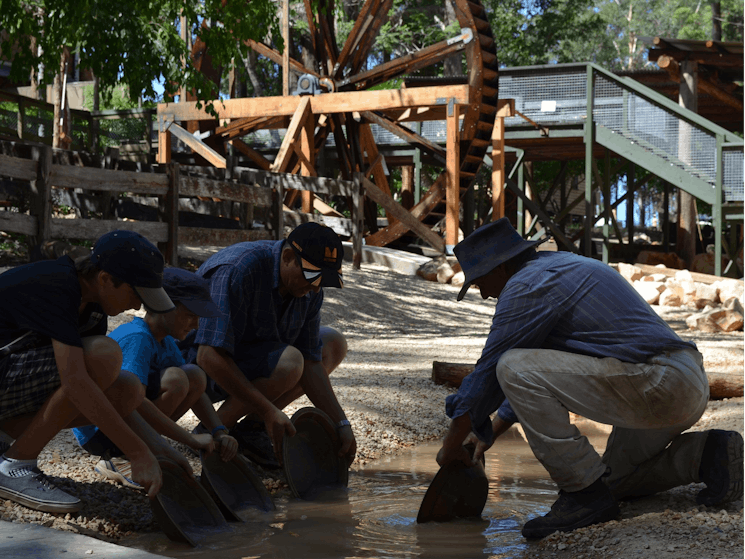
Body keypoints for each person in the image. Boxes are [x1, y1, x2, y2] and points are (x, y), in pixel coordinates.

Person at [437, 218, 744, 539]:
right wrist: (489, 434)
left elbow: (490, 373)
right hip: (686, 381)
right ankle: (707, 454)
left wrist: (451, 446)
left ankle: (581, 495)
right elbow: (537, 382)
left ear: (498, 269)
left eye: (478, 283)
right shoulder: (560, 266)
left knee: (510, 366)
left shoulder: (525, 285)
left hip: (658, 382)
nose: (484, 294)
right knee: (613, 483)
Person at [0, 230, 191, 512]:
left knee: (126, 387)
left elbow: (119, 398)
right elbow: (76, 383)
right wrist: (137, 453)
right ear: (104, 279)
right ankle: (14, 466)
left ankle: (7, 444)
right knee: (105, 356)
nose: (138, 306)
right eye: (135, 294)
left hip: (9, 383)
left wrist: (161, 448)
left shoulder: (94, 306)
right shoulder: (59, 284)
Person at [181, 222, 356, 469]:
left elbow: (312, 360)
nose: (315, 287)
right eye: (311, 276)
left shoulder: (309, 290)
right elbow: (208, 356)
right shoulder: (238, 269)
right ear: (287, 257)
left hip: (249, 357)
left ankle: (252, 430)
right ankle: (215, 426)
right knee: (291, 361)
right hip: (195, 369)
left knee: (333, 344)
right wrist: (268, 409)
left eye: (322, 280)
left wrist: (341, 424)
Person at [72, 267, 239, 489]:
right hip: (101, 429)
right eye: (190, 316)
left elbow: (197, 392)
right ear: (162, 306)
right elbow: (131, 404)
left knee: (194, 374)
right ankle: (124, 455)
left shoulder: (165, 340)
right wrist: (188, 440)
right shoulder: (138, 338)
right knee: (176, 379)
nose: (196, 325)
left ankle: (145, 447)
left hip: (124, 417)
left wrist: (218, 430)